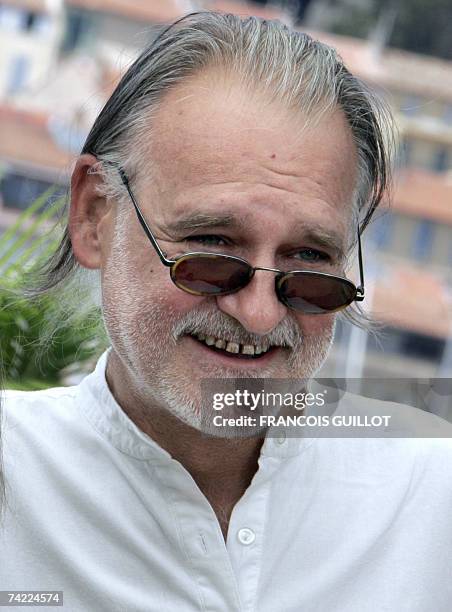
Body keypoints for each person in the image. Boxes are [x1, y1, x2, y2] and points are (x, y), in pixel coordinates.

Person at [1, 11, 451, 612]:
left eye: (309, 260)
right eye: (213, 247)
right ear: (94, 217)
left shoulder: (430, 492)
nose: (261, 314)